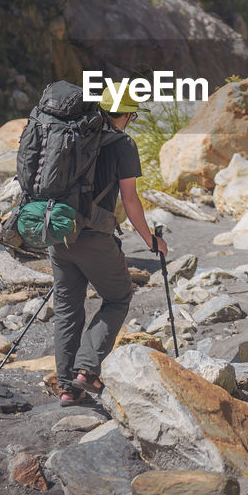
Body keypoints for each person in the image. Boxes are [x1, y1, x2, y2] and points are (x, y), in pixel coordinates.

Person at [53, 82, 168, 406]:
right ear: (128, 114)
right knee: (118, 296)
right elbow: (130, 201)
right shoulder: (123, 145)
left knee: (66, 309)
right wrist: (152, 241)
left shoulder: (71, 134)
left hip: (58, 231)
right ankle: (87, 371)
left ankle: (68, 389)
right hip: (93, 235)